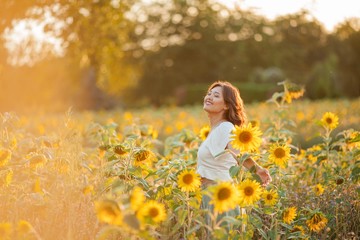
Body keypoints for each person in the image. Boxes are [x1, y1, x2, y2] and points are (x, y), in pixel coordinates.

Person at [196, 81, 272, 237]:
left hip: (221, 196)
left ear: (226, 105)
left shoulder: (225, 127)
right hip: (211, 195)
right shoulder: (216, 129)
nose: (209, 97)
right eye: (209, 93)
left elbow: (239, 155)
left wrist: (258, 169)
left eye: (216, 95)